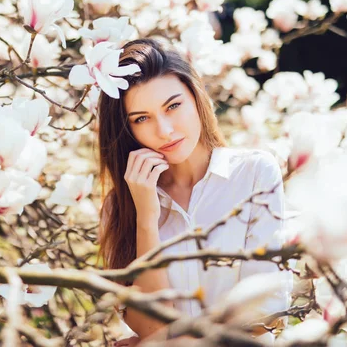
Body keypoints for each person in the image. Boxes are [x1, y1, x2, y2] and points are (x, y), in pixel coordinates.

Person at [96, 39, 292, 345]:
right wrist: (147, 218)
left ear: (196, 98)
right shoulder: (120, 206)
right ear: (127, 130)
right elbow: (153, 330)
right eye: (141, 118)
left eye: (173, 106)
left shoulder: (254, 174)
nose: (165, 130)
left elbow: (263, 318)